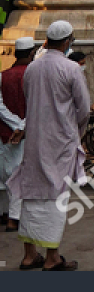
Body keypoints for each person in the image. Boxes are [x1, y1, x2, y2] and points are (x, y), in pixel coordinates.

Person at [9, 18, 89, 270]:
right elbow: (84, 108)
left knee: (31, 193)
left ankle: (29, 254)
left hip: (35, 139)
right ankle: (52, 257)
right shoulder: (71, 68)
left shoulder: (32, 68)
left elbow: (28, 98)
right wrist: (76, 132)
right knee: (56, 195)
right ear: (67, 42)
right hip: (60, 141)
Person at [0, 35, 36, 231]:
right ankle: (14, 218)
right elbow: (36, 105)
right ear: (31, 53)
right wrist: (21, 126)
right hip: (25, 135)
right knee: (18, 177)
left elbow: (0, 107)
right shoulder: (33, 75)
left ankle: (5, 214)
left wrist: (14, 124)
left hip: (4, 132)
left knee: (4, 176)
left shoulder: (2, 75)